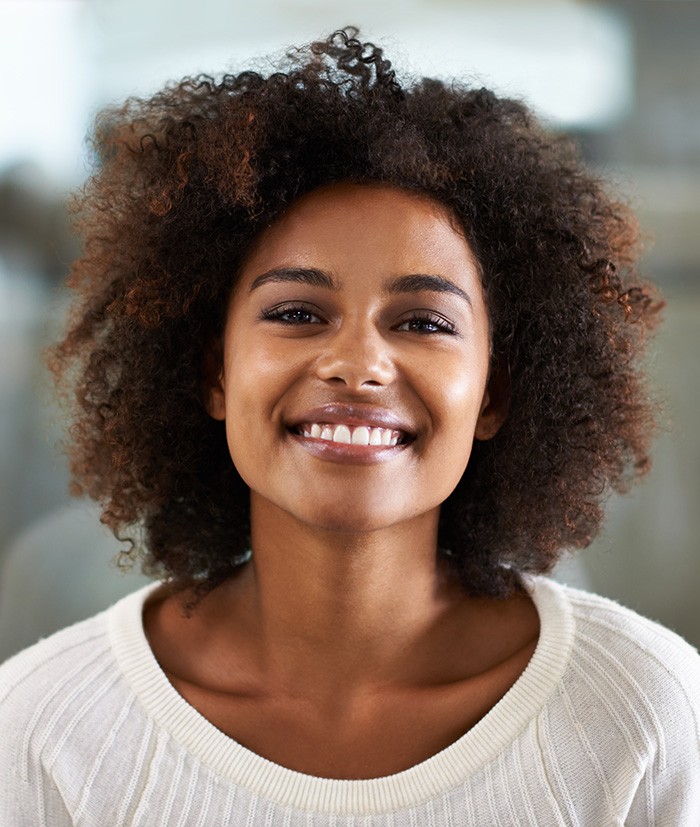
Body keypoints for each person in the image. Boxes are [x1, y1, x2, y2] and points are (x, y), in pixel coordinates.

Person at [1, 28, 698, 826]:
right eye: (297, 312)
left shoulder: (645, 715)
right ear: (214, 373)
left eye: (424, 322)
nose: (359, 363)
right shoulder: (43, 729)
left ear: (496, 392)